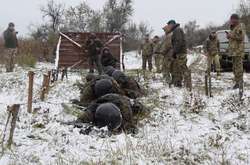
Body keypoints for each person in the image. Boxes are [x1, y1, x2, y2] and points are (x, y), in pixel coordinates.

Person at [77, 93, 147, 132]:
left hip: (122, 100)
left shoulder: (125, 111)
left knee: (140, 108)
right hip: (105, 98)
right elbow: (79, 122)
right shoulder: (92, 109)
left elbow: (131, 127)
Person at [167, 20, 192, 89]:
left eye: (169, 25)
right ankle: (179, 83)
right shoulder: (176, 30)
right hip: (179, 52)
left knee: (183, 68)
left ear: (172, 24)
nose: (168, 27)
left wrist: (174, 52)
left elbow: (178, 42)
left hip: (181, 52)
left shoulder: (177, 30)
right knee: (178, 68)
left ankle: (188, 85)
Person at [227, 14, 245, 89]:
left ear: (235, 20)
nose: (230, 21)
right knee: (235, 68)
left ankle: (240, 84)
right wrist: (229, 36)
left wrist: (230, 36)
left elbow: (241, 37)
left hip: (238, 51)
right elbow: (234, 39)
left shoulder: (240, 27)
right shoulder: (233, 28)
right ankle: (237, 83)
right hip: (234, 52)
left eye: (231, 19)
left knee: (238, 68)